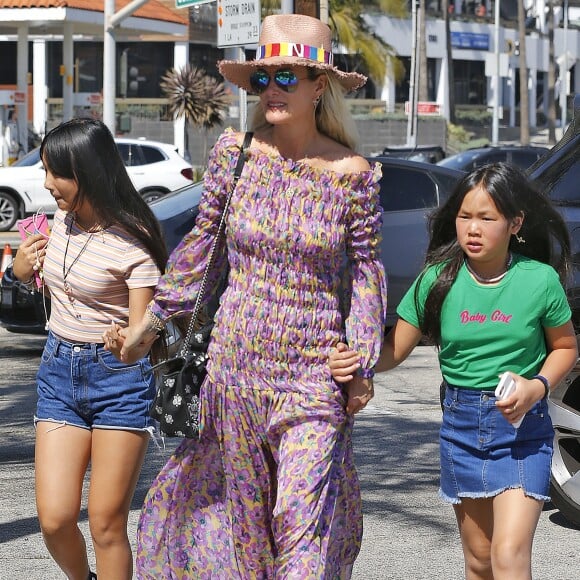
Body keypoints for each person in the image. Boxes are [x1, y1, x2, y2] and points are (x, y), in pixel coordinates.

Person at [105, 13, 387, 579]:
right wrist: (148, 328)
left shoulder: (352, 174)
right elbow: (200, 254)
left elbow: (365, 277)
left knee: (301, 524)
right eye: (262, 80)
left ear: (319, 86)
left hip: (312, 376)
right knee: (245, 529)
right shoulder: (234, 156)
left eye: (287, 77)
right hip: (234, 370)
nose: (272, 90)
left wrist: (360, 362)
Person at [329, 162, 578, 580]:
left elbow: (566, 348)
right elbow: (392, 352)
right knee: (479, 561)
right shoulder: (437, 280)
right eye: (465, 217)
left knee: (509, 554)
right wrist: (356, 359)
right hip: (461, 431)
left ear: (515, 222)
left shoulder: (540, 280)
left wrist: (536, 387)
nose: (472, 229)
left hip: (523, 434)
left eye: (487, 218)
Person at [12, 118, 167, 580]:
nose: (46, 184)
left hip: (119, 381)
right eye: (43, 170)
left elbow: (144, 333)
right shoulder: (59, 221)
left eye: (55, 173)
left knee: (105, 523)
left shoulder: (134, 240)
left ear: (87, 172)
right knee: (56, 519)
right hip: (59, 373)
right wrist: (19, 270)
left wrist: (130, 340)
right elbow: (25, 281)